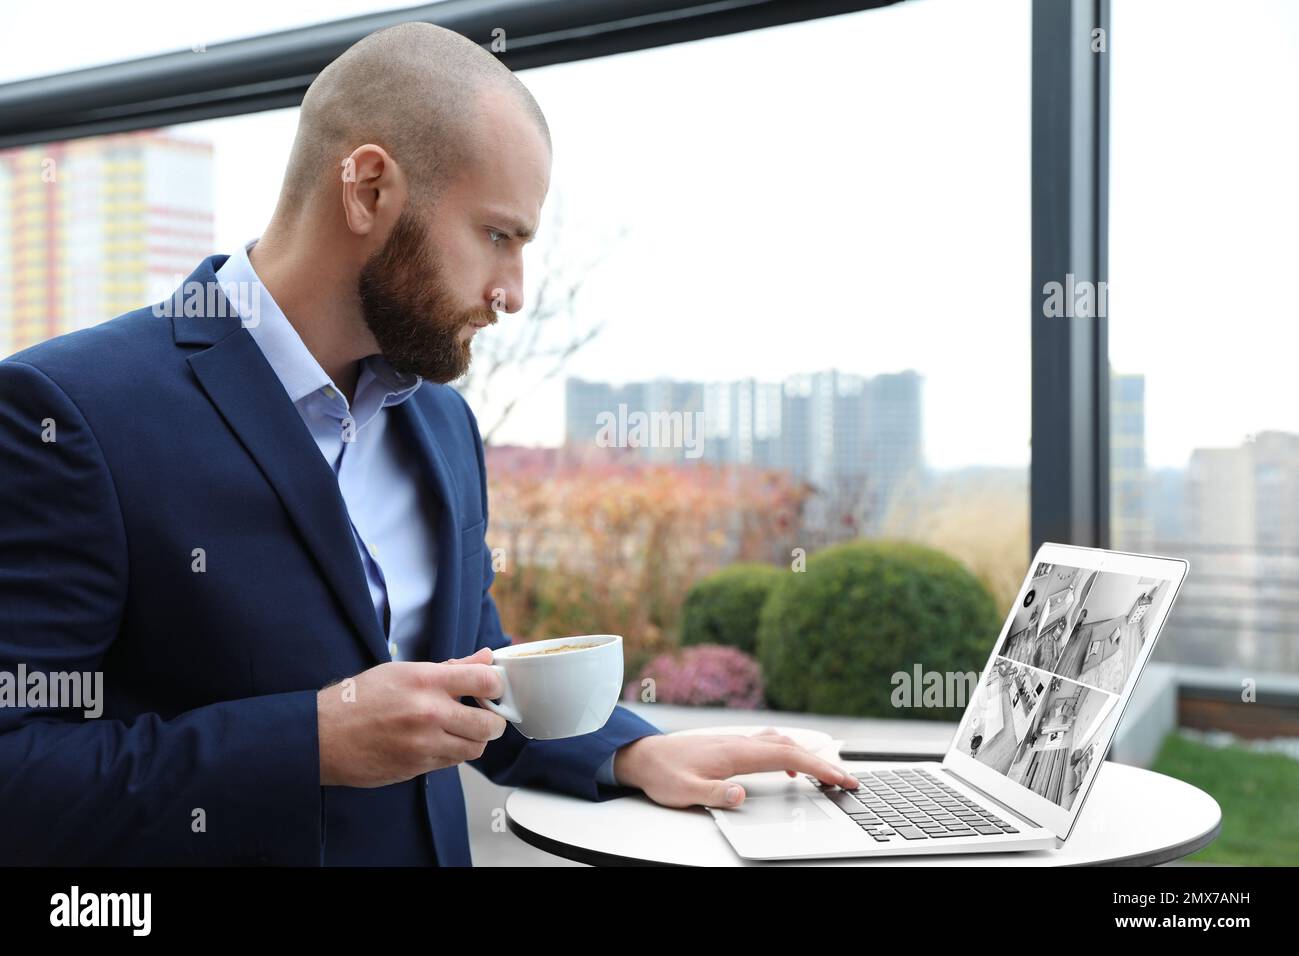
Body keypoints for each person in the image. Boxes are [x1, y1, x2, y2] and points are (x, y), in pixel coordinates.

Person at [0, 22, 857, 866]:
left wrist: (632, 752)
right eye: (497, 235)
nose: (513, 291)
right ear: (369, 188)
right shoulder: (69, 412)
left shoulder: (442, 423)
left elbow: (469, 676)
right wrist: (309, 741)